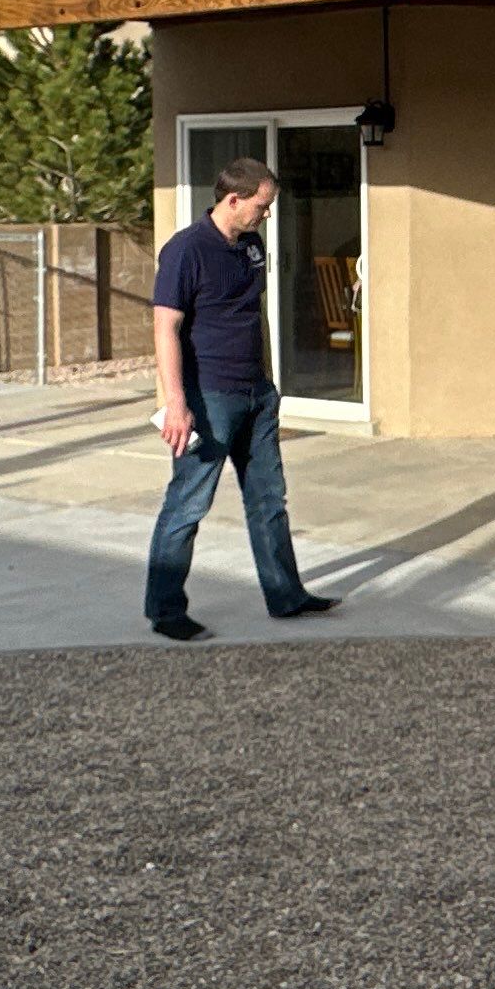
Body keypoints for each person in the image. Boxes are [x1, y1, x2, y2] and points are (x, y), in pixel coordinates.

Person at [142, 157, 335, 639]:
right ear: (233, 199)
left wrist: (268, 384)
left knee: (269, 499)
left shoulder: (251, 246)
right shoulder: (186, 250)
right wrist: (177, 403)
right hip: (209, 400)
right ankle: (166, 612)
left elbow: (253, 315)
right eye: (261, 206)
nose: (266, 215)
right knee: (188, 503)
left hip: (256, 395)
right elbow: (166, 326)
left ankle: (286, 595)